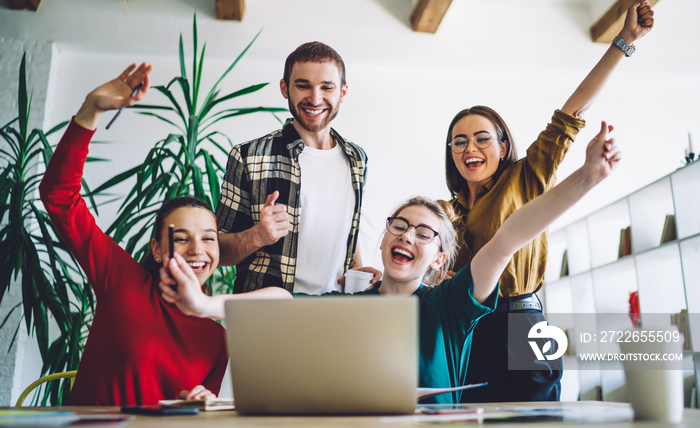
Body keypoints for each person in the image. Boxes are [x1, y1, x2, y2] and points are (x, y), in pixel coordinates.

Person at [159, 121, 620, 403]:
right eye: (399, 226)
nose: (407, 236)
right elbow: (281, 299)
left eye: (424, 233)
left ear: (440, 258)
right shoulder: (350, 305)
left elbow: (509, 237)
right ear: (382, 241)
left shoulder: (450, 307)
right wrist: (204, 305)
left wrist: (588, 177)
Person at [443, 0, 654, 402]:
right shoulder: (444, 213)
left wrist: (624, 41)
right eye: (459, 141)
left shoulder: (527, 175)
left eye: (482, 138)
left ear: (503, 146)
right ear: (451, 153)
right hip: (466, 331)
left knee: (538, 417)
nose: (470, 147)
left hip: (523, 320)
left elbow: (571, 111)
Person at [39, 63, 231, 405]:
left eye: (208, 237)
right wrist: (90, 110)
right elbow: (59, 196)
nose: (197, 249)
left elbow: (197, 409)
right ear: (156, 249)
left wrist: (203, 403)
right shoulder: (123, 281)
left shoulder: (218, 338)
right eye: (181, 237)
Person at [216, 41, 378, 295]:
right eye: (303, 86)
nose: (315, 98)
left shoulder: (357, 159)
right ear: (285, 88)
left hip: (336, 311)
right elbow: (218, 251)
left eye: (327, 87)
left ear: (342, 93)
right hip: (269, 317)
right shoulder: (248, 156)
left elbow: (348, 230)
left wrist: (358, 269)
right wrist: (257, 236)